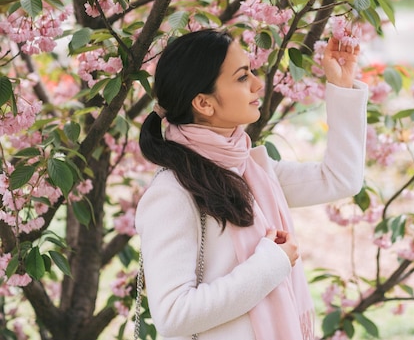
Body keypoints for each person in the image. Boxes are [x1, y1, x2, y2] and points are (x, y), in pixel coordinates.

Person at [135, 28, 367, 340]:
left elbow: (339, 179)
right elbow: (173, 316)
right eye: (243, 77)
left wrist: (341, 86)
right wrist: (271, 264)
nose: (258, 84)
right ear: (204, 103)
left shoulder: (249, 170)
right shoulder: (173, 193)